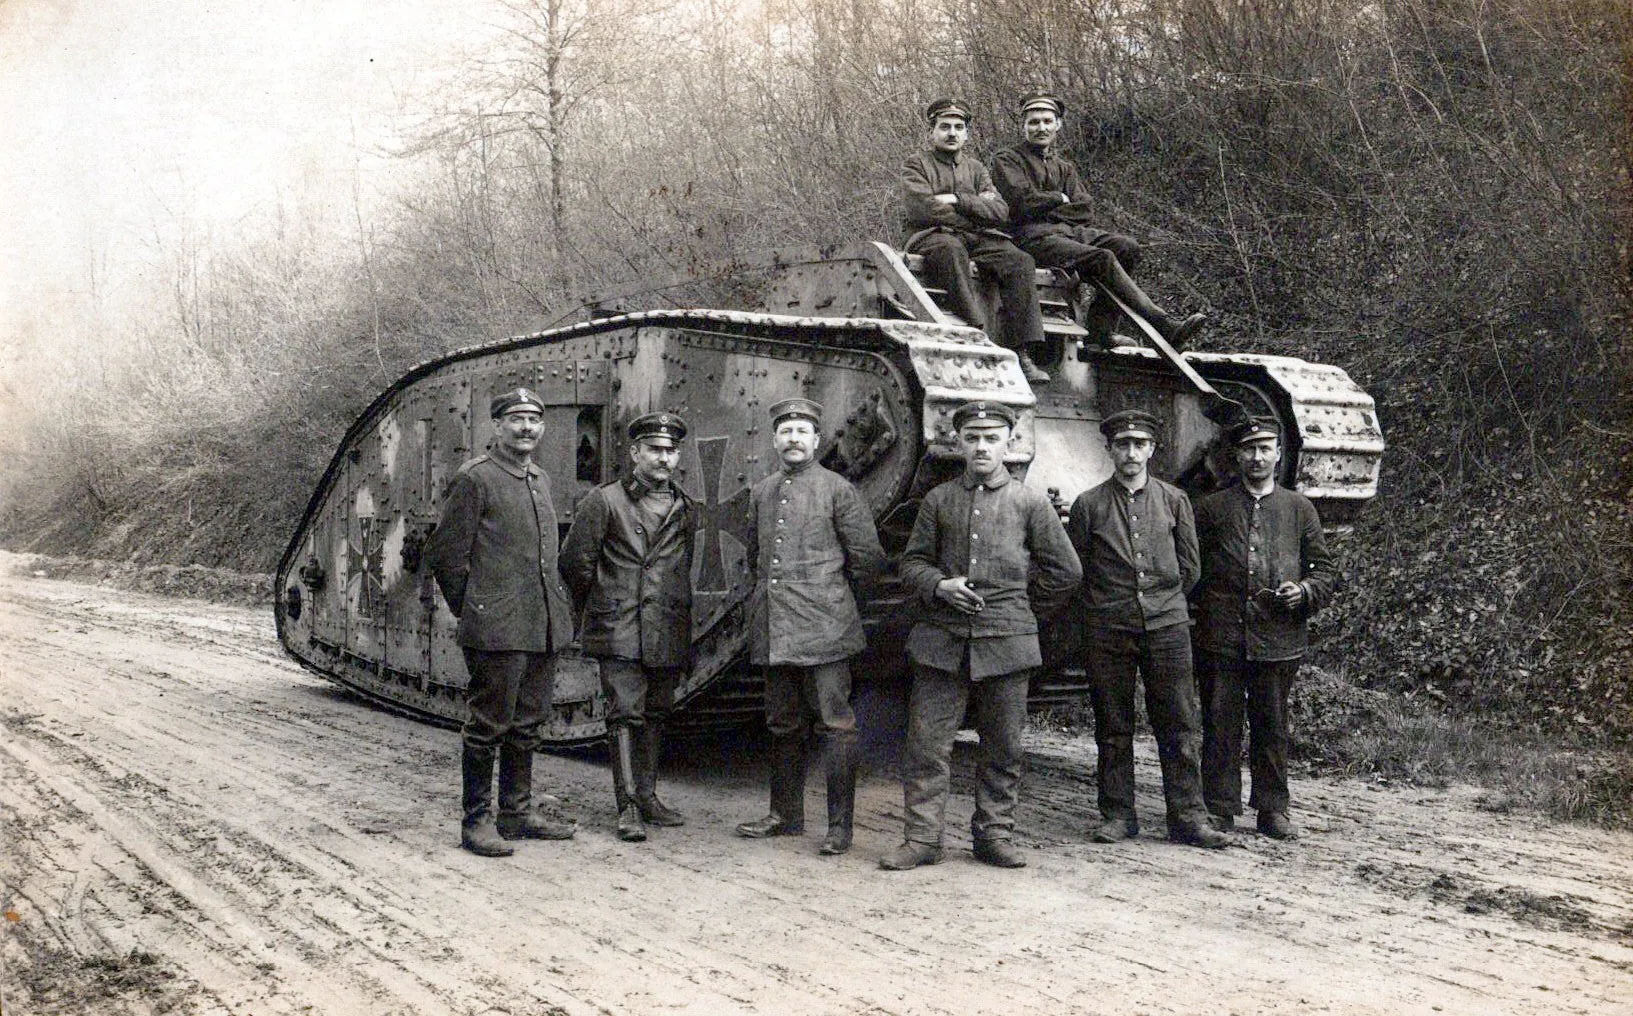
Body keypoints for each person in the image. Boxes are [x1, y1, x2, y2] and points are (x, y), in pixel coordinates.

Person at [882, 400, 1082, 870]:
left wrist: (1022, 610)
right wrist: (940, 585)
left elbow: (1066, 572)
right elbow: (912, 563)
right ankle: (922, 839)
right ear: (959, 443)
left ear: (1008, 443)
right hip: (942, 641)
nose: (981, 447)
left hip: (1007, 643)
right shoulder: (939, 500)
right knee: (927, 744)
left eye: (991, 437)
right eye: (972, 437)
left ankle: (994, 835)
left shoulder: (1029, 503)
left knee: (1003, 746)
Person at [424, 387, 578, 857]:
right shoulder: (476, 479)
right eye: (516, 419)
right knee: (488, 725)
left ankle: (516, 813)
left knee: (528, 723)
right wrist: (475, 609)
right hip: (497, 626)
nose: (527, 427)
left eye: (534, 419)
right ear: (497, 426)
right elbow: (446, 555)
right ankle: (476, 821)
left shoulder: (539, 479)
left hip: (540, 623)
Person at [1066, 409, 1229, 849]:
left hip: (1167, 626)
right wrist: (1107, 607)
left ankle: (1189, 817)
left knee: (1177, 722)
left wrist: (1161, 601)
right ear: (1110, 450)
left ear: (1153, 450)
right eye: (1122, 444)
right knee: (1113, 725)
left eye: (1139, 444)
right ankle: (1118, 815)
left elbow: (1191, 568)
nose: (1131, 453)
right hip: (1109, 627)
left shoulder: (1175, 501)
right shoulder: (1088, 505)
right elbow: (1078, 571)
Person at [735, 398, 886, 855]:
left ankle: (839, 828)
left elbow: (869, 562)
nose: (794, 439)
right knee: (782, 724)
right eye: (786, 431)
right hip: (776, 629)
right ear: (775, 440)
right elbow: (755, 558)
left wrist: (834, 604)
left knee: (836, 725)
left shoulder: (839, 490)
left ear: (818, 441)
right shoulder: (762, 491)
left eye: (803, 431)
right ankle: (785, 816)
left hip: (825, 631)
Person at [1192, 417, 1338, 840]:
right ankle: (1219, 807)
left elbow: (1324, 569)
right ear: (1235, 456)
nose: (1257, 458)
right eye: (1249, 449)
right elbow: (1192, 569)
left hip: (1278, 639)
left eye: (1265, 449)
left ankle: (1273, 808)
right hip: (1221, 637)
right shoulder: (1212, 509)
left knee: (1272, 724)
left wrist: (1305, 591)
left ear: (1278, 454)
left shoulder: (1299, 508)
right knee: (1220, 722)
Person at [559, 412, 696, 843]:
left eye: (670, 450)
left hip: (664, 627)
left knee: (656, 712)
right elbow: (574, 564)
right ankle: (628, 806)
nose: (663, 458)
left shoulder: (683, 506)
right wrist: (602, 606)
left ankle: (649, 795)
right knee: (624, 714)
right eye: (654, 449)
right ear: (634, 453)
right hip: (619, 625)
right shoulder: (604, 501)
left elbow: (679, 569)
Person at [990, 92, 1206, 350]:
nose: (1041, 128)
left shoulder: (1064, 167)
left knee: (1127, 247)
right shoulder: (1007, 159)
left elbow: (1084, 209)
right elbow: (1020, 204)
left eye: (1047, 121)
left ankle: (1100, 330)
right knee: (1101, 258)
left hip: (1069, 232)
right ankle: (1163, 322)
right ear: (1023, 125)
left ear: (1058, 125)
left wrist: (1048, 204)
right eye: (1034, 122)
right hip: (1033, 237)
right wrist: (1060, 198)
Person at [901, 97, 1053, 384]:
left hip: (978, 237)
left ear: (966, 134)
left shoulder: (977, 169)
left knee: (1019, 260)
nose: (952, 133)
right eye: (944, 126)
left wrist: (958, 200)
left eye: (959, 127)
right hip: (932, 235)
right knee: (950, 250)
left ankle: (1023, 351)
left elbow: (1000, 210)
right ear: (931, 132)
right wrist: (974, 211)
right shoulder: (916, 165)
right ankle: (975, 330)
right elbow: (922, 208)